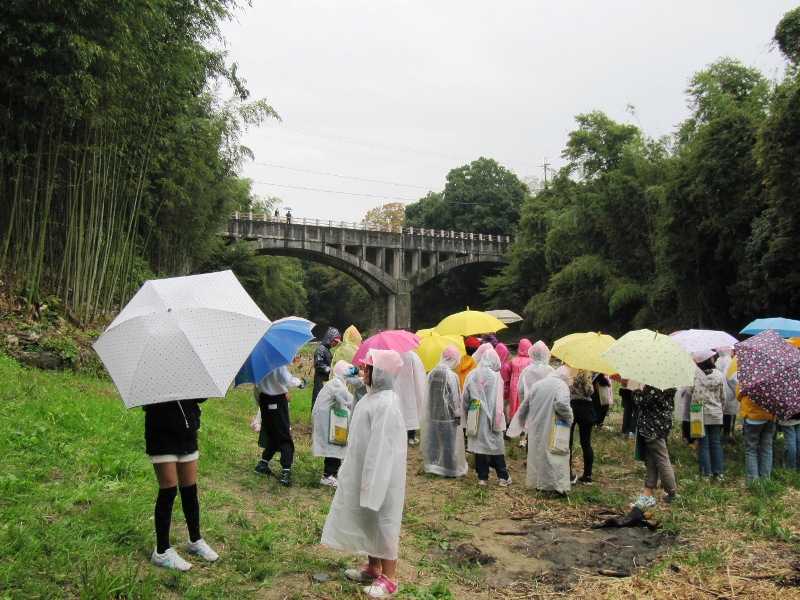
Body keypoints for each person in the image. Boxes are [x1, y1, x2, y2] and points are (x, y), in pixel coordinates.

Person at [321, 349, 407, 599]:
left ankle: (390, 578)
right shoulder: (372, 398)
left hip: (381, 475)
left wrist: (373, 479)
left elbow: (383, 448)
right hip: (363, 471)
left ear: (382, 373)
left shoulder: (388, 403)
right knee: (368, 520)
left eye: (369, 368)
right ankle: (373, 566)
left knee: (384, 521)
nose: (364, 372)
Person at [144, 399, 218, 571]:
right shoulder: (151, 376)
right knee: (168, 490)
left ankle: (195, 540)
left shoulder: (188, 373)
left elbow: (200, 397)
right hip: (161, 433)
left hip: (187, 432)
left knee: (190, 489)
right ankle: (161, 552)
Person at [507, 369, 573, 494]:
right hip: (554, 426)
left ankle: (538, 483)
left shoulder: (537, 385)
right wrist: (569, 418)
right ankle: (554, 486)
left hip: (536, 425)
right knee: (554, 454)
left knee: (537, 454)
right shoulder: (561, 385)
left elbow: (524, 406)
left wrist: (519, 423)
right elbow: (561, 404)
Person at [462, 346, 510, 486]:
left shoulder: (472, 374)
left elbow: (465, 396)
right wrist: (499, 420)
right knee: (496, 446)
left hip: (475, 414)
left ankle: (482, 477)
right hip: (492, 416)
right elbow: (499, 401)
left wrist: (466, 413)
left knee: (479, 446)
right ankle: (503, 477)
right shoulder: (496, 377)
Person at [253, 365, 304, 486]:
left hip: (264, 400)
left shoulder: (257, 364)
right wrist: (300, 383)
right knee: (284, 436)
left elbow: (256, 387)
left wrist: (259, 402)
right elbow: (287, 379)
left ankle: (263, 463)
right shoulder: (276, 363)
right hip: (277, 400)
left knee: (272, 434)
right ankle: (286, 472)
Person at [421, 346, 468, 478]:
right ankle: (449, 468)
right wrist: (457, 414)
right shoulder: (451, 376)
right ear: (453, 359)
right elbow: (454, 397)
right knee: (449, 443)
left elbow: (428, 395)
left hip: (434, 414)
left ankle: (433, 465)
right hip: (448, 417)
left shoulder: (432, 373)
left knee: (434, 441)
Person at [312, 361, 359, 487]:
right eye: (349, 371)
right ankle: (328, 476)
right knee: (335, 446)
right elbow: (349, 400)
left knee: (336, 444)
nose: (352, 373)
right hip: (327, 419)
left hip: (331, 417)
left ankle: (332, 473)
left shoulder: (337, 382)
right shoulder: (337, 384)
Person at [632, 384, 678, 509]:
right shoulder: (670, 386)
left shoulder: (654, 386)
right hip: (662, 425)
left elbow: (641, 401)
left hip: (652, 427)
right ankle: (648, 493)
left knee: (662, 459)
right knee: (651, 460)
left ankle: (672, 491)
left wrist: (635, 391)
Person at [691, 357, 726, 479]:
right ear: (710, 360)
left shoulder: (695, 375)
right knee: (716, 443)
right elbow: (723, 396)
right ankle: (719, 473)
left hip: (699, 414)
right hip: (716, 413)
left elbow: (691, 392)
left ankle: (706, 473)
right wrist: (721, 409)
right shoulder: (719, 375)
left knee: (703, 444)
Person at [566, 367, 596, 484]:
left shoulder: (569, 371)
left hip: (572, 405)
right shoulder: (586, 372)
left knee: (568, 442)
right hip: (586, 407)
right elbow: (589, 391)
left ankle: (567, 472)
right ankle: (587, 475)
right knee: (586, 443)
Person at [739, 390, 776, 484]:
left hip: (752, 417)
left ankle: (753, 481)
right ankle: (765, 479)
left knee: (751, 450)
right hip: (768, 416)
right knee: (767, 449)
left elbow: (739, 395)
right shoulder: (773, 378)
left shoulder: (747, 377)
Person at [394, 351, 426, 446]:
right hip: (410, 384)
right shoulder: (413, 355)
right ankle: (411, 437)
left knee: (402, 409)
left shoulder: (395, 354)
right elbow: (419, 374)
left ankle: (403, 436)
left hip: (401, 385)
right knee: (411, 410)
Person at [502, 338, 532, 422]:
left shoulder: (513, 360)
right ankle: (523, 419)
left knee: (513, 400)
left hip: (513, 382)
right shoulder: (530, 361)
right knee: (523, 400)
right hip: (524, 382)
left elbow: (508, 370)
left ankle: (513, 419)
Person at [313, 327, 341, 407]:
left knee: (324, 402)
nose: (335, 344)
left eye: (336, 342)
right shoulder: (320, 349)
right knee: (318, 401)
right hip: (320, 380)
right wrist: (331, 370)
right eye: (335, 341)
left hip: (325, 379)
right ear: (329, 338)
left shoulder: (327, 350)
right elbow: (318, 364)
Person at [716, 348, 738, 442]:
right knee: (729, 413)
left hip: (719, 390)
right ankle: (727, 434)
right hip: (729, 390)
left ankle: (720, 433)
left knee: (721, 412)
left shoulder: (718, 360)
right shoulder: (730, 361)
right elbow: (731, 377)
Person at [496, 343, 511, 408]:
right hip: (506, 392)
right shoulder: (506, 366)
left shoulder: (495, 365)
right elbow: (508, 379)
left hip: (497, 391)